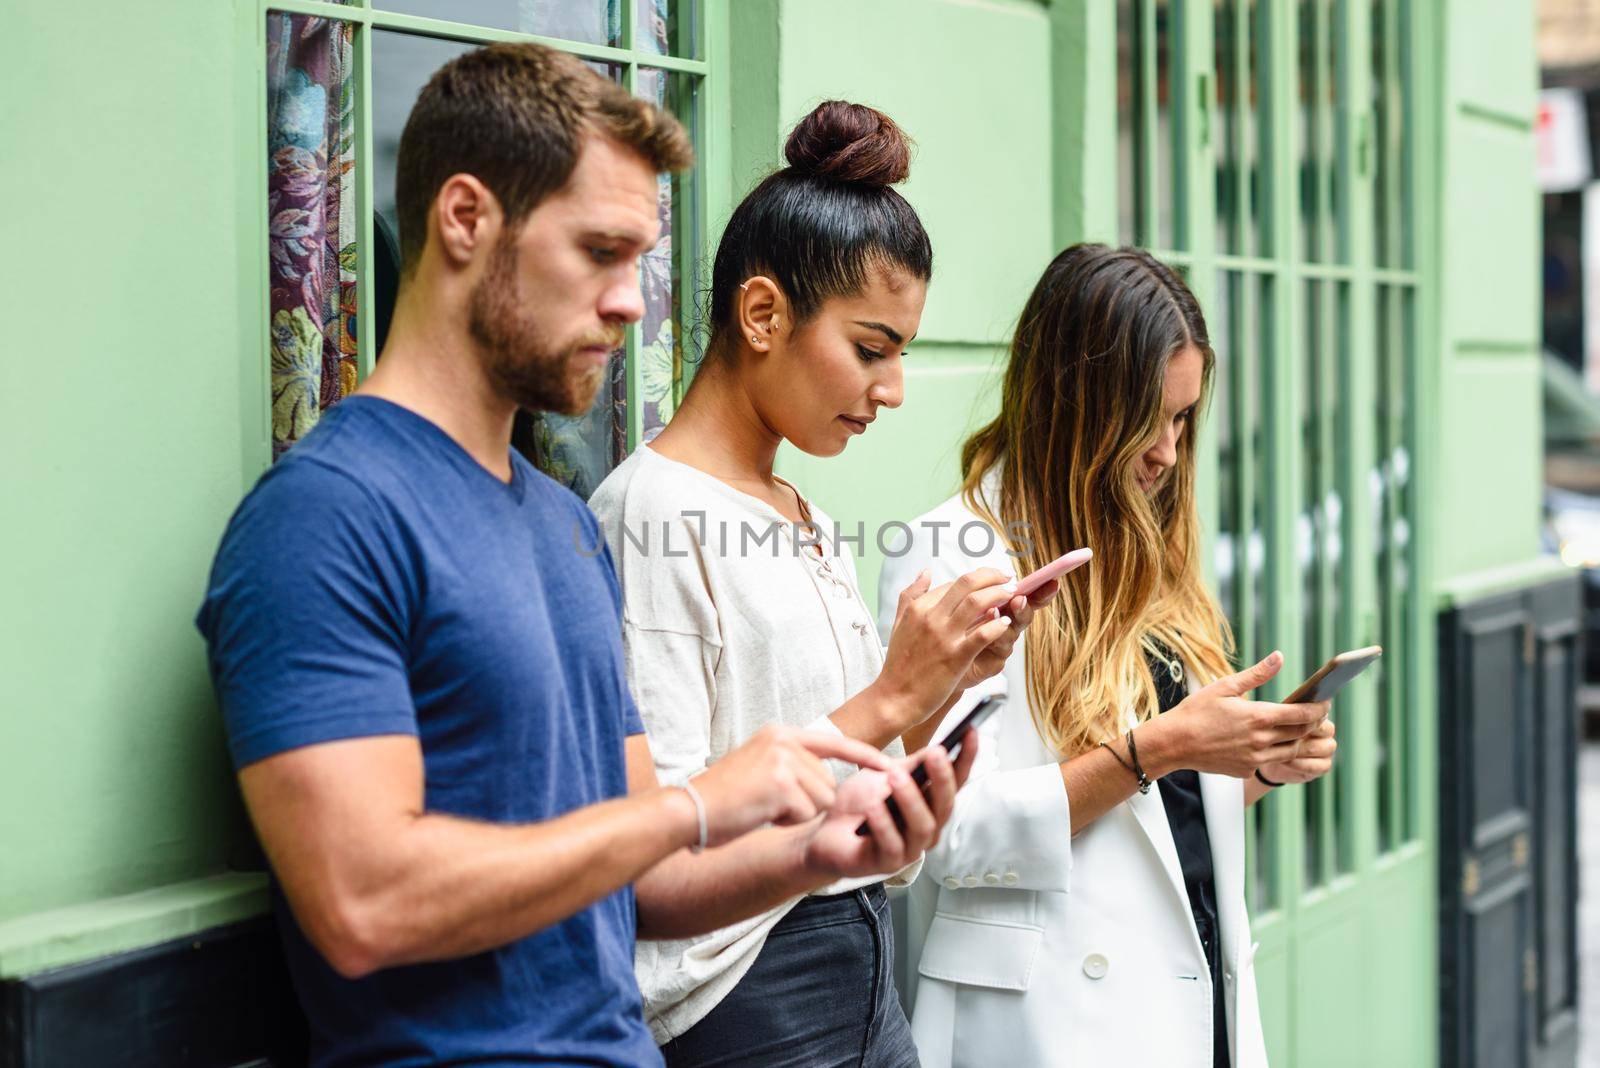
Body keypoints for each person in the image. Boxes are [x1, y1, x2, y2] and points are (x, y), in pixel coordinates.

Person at [197, 44, 963, 1068]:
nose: (631, 303)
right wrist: (696, 805)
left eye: (637, 262)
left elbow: (639, 886)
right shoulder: (324, 519)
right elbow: (363, 903)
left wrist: (813, 854)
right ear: (464, 219)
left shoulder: (562, 529)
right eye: (599, 253)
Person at [589, 101, 1051, 1067]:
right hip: (740, 993)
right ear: (763, 314)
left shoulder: (797, 505)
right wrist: (892, 691)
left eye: (903, 355)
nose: (891, 389)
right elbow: (661, 832)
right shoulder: (652, 514)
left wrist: (941, 687)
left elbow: (838, 765)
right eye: (871, 348)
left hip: (862, 963)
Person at [880, 244, 1341, 1068]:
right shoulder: (950, 554)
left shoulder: (1149, 547)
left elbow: (1157, 829)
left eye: (1182, 419)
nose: (1167, 451)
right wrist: (1161, 747)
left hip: (1192, 1001)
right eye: (1149, 419)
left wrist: (1253, 767)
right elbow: (947, 837)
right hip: (1051, 1024)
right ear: (1075, 400)